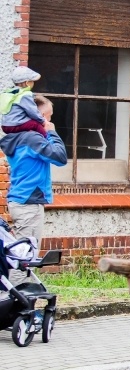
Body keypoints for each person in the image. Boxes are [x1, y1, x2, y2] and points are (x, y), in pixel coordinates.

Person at [0, 93, 67, 285]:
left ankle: (20, 302)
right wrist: (52, 132)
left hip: (20, 200)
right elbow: (60, 157)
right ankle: (12, 305)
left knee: (20, 254)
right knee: (23, 259)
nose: (50, 120)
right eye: (50, 116)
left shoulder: (18, 138)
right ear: (42, 117)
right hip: (29, 203)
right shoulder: (32, 139)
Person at [0, 66, 48, 138]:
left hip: (5, 126)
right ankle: (46, 140)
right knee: (36, 125)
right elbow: (32, 111)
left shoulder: (10, 93)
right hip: (16, 125)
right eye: (32, 81)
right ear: (27, 83)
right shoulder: (25, 95)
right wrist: (42, 121)